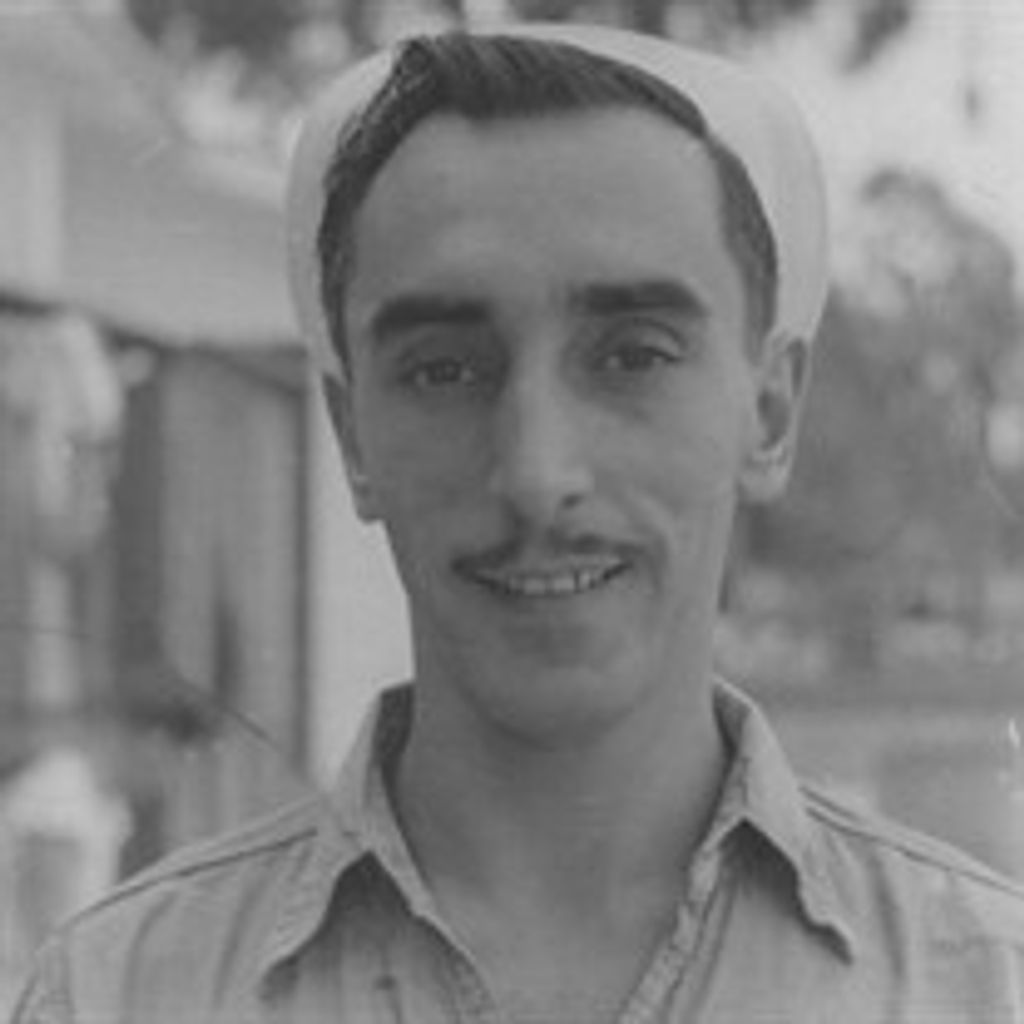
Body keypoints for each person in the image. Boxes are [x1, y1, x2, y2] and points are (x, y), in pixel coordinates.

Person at [12, 23, 1024, 1024]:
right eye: (444, 369)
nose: (538, 474)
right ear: (353, 433)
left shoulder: (983, 985)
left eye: (632, 356)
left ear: (768, 412)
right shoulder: (116, 993)